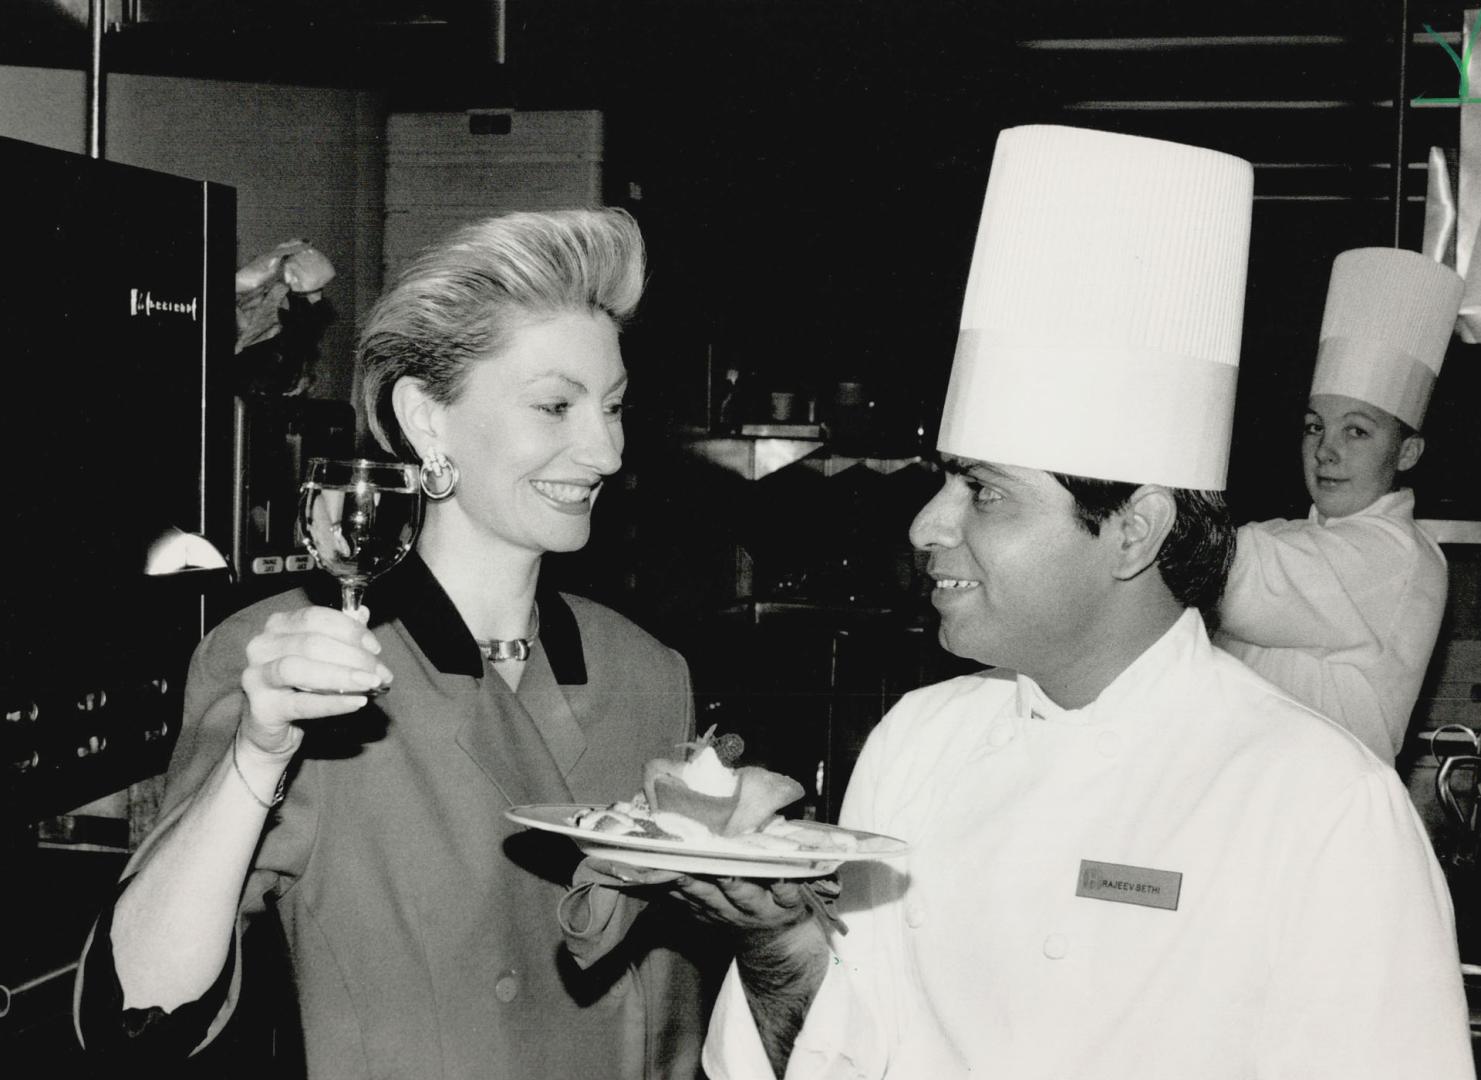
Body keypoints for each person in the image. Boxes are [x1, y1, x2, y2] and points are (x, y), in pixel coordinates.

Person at [682, 126, 1474, 1079]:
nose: (926, 526)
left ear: (1134, 530)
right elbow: (826, 1054)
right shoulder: (916, 742)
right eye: (947, 482)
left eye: (984, 491)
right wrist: (777, 952)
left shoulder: (1320, 806)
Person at [72, 208, 708, 1079]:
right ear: (426, 420)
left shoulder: (648, 671)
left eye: (614, 407)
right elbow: (138, 1014)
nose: (604, 450)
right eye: (555, 405)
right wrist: (258, 756)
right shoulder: (294, 660)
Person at [1213, 247, 1461, 764]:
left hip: (1324, 823)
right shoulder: (1283, 536)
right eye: (1314, 426)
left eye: (1357, 430)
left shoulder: (1400, 556)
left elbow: (1244, 580)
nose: (1326, 449)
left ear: (1408, 452)